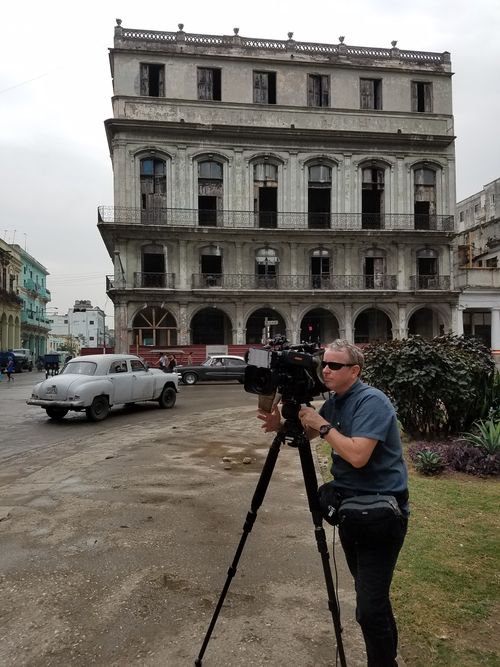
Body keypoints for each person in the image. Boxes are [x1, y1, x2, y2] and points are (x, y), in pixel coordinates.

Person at [257, 339, 409, 667]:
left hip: (380, 516)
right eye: (324, 363)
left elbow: (356, 454)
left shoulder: (372, 401)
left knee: (368, 608)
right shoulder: (336, 401)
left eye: (334, 365)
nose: (325, 369)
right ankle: (388, 656)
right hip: (352, 513)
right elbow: (309, 432)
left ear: (354, 371)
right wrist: (281, 425)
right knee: (373, 600)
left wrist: (321, 425)